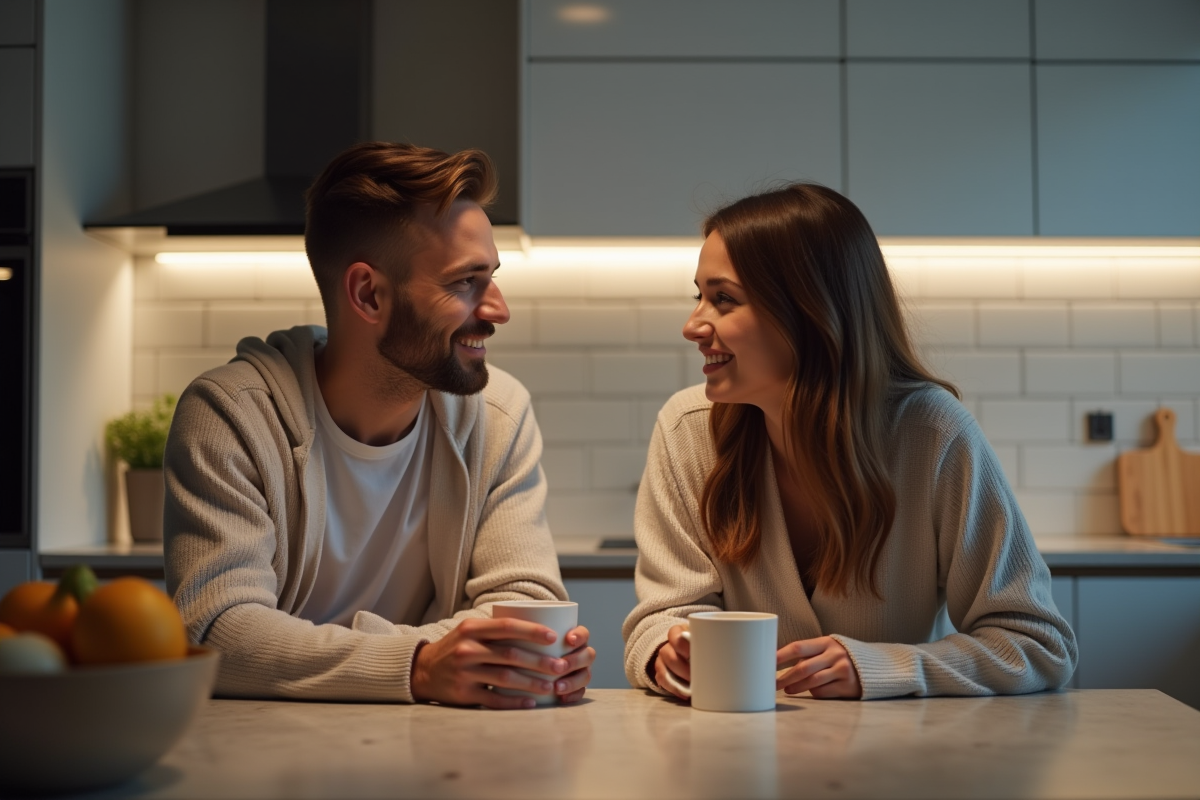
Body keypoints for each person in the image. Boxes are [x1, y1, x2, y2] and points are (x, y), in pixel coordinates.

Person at [165, 142, 594, 708]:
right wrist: (416, 665)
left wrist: (325, 654)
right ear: (369, 293)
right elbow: (217, 631)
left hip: (439, 751)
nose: (497, 309)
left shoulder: (498, 415)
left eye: (491, 276)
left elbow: (528, 609)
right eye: (466, 282)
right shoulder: (230, 415)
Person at [623, 183, 1077, 700]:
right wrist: (669, 651)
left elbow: (1037, 644)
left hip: (896, 764)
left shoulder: (934, 435)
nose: (692, 325)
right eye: (698, 296)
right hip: (731, 756)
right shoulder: (687, 429)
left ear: (807, 311)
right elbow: (660, 620)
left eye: (723, 299)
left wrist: (881, 667)